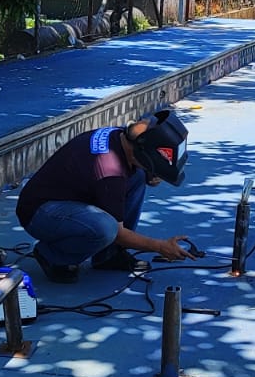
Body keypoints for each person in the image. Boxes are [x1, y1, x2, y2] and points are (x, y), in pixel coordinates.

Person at [15, 110, 199, 283]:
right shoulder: (110, 172)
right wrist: (160, 247)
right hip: (39, 213)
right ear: (141, 153)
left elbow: (135, 162)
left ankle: (109, 256)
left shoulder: (122, 136)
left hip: (65, 197)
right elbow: (118, 233)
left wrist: (150, 171)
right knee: (106, 229)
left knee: (138, 175)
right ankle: (51, 255)